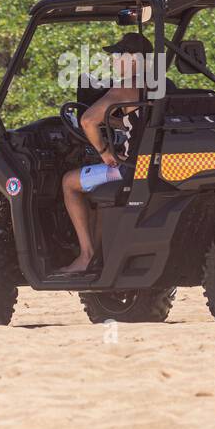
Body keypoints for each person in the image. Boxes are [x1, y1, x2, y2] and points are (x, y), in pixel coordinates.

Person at [57, 33, 152, 273]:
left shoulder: (126, 87)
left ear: (134, 59)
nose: (113, 60)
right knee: (95, 186)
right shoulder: (159, 84)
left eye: (118, 55)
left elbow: (88, 120)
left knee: (68, 182)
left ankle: (87, 255)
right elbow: (140, 123)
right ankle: (100, 254)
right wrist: (113, 126)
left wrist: (104, 151)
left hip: (130, 169)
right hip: (152, 164)